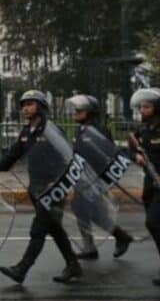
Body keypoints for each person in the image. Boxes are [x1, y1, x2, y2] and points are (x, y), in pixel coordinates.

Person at [0, 90, 82, 284]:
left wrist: (59, 182)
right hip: (36, 188)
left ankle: (22, 269)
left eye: (30, 104)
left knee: (38, 229)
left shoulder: (52, 130)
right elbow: (13, 155)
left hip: (53, 189)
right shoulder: (27, 132)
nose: (25, 108)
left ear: (41, 106)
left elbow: (67, 157)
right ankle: (73, 265)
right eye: (24, 105)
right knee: (54, 229)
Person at [66, 94, 133, 260]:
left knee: (85, 211)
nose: (75, 112)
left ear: (90, 112)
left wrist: (99, 180)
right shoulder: (80, 129)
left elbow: (108, 155)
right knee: (86, 212)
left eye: (79, 110)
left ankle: (100, 245)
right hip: (82, 178)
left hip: (96, 179)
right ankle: (111, 240)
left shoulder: (99, 130)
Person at [128, 88, 160, 285]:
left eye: (146, 106)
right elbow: (131, 146)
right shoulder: (144, 129)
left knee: (153, 222)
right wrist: (136, 156)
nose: (142, 110)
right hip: (150, 182)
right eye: (141, 106)